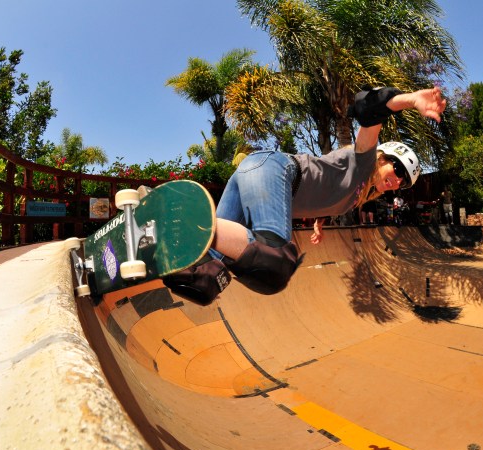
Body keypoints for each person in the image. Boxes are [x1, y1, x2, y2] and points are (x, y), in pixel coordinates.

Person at [162, 86, 446, 305]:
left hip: (254, 177)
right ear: (384, 158)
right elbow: (371, 109)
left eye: (403, 183)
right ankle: (181, 219)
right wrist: (411, 100)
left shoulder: (357, 195)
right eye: (397, 169)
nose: (397, 181)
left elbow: (326, 198)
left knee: (206, 278)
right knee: (274, 262)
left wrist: (319, 223)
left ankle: (154, 244)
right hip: (275, 170)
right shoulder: (364, 161)